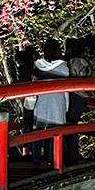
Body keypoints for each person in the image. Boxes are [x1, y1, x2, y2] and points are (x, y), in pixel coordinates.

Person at [32, 39, 69, 168]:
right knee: (56, 130)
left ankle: (36, 159)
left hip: (42, 100)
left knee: (39, 129)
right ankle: (53, 160)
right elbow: (66, 89)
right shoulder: (63, 67)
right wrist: (67, 105)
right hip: (57, 101)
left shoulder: (38, 65)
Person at [65, 47, 91, 165]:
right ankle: (74, 155)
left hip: (72, 95)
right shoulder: (84, 63)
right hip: (82, 96)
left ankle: (69, 155)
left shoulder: (69, 63)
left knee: (68, 125)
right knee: (74, 126)